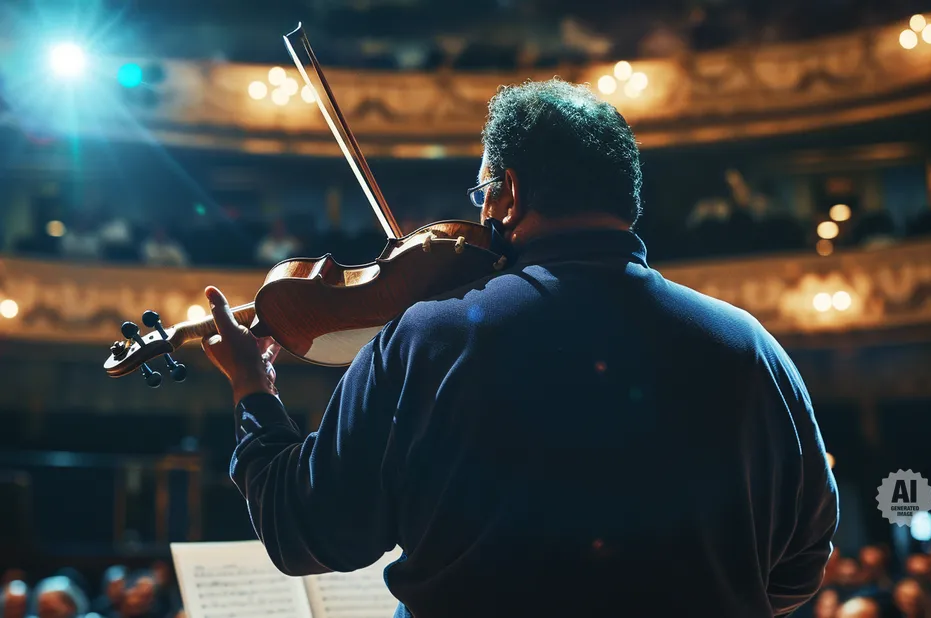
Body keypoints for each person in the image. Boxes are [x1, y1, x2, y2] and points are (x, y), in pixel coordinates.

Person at [202, 78, 839, 617]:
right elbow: (803, 559)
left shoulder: (430, 337)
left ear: (507, 191)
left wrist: (253, 392)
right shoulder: (750, 348)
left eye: (482, 194)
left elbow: (307, 530)